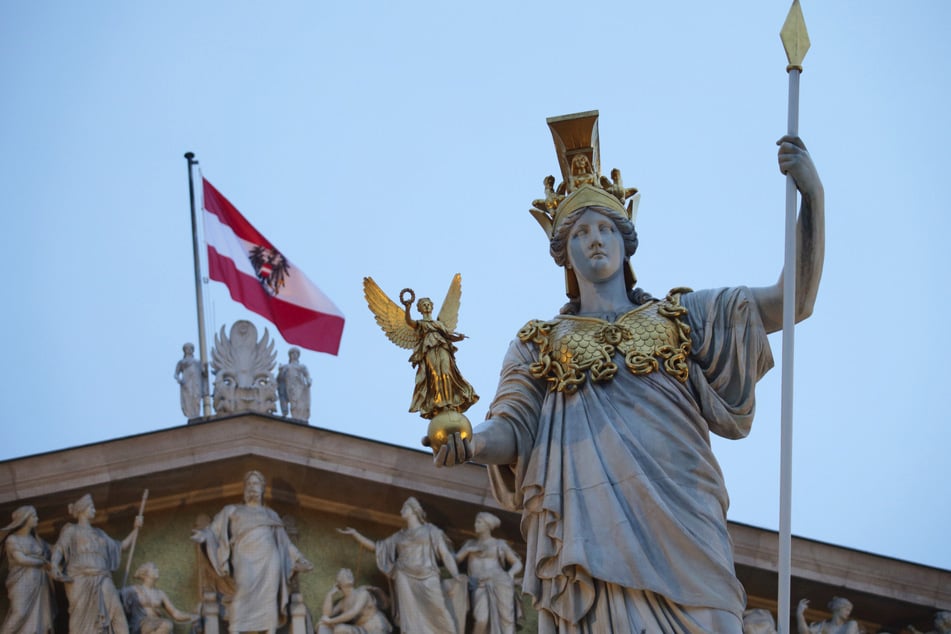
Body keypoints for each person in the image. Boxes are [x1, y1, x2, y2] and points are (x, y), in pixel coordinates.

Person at [434, 116, 824, 633]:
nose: (595, 240)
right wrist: (471, 441)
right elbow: (513, 426)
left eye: (605, 229)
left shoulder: (685, 317)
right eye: (581, 233)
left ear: (625, 242)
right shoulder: (538, 343)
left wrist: (812, 199)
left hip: (685, 515)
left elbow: (792, 302)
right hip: (593, 529)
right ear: (565, 255)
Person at [192, 470, 313, 634]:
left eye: (255, 484)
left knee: (270, 598)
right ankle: (235, 630)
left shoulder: (270, 514)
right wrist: (203, 536)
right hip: (245, 557)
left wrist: (300, 558)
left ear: (262, 489)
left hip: (270, 558)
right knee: (243, 591)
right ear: (244, 489)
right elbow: (213, 531)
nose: (252, 487)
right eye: (248, 484)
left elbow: (285, 543)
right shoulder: (232, 510)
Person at [338, 497, 467, 634]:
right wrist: (356, 535)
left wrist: (456, 575)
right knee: (410, 618)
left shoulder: (432, 531)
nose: (401, 511)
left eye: (405, 508)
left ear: (414, 510)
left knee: (439, 610)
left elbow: (445, 555)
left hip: (428, 575)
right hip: (404, 575)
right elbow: (378, 548)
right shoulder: (399, 536)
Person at [50, 493, 143, 633]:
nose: (94, 510)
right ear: (82, 509)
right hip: (79, 578)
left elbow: (122, 546)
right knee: (79, 614)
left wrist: (136, 529)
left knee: (116, 609)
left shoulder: (100, 533)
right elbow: (59, 548)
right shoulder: (71, 530)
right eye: (91, 507)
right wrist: (54, 564)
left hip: (102, 576)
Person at [404, 295, 479, 419]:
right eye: (424, 304)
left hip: (443, 347)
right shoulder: (420, 324)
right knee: (435, 374)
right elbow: (409, 322)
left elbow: (448, 336)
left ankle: (450, 402)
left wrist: (458, 338)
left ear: (432, 307)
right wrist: (407, 308)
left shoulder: (438, 323)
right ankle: (439, 403)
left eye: (428, 304)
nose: (427, 306)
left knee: (446, 372)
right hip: (429, 350)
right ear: (419, 309)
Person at [455, 512, 523, 634]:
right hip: (479, 584)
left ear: (487, 525)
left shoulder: (499, 544)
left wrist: (510, 574)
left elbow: (517, 563)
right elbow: (454, 561)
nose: (475, 524)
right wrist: (467, 550)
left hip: (500, 582)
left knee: (505, 620)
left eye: (479, 522)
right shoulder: (470, 544)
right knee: (481, 619)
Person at [1, 506, 54, 634]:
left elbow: (53, 549)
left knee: (39, 616)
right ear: (24, 519)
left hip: (39, 581)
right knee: (19, 612)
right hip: (21, 581)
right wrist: (42, 562)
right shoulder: (12, 539)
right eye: (34, 516)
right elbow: (21, 559)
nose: (37, 518)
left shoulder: (36, 540)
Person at [121, 562, 196, 634]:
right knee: (166, 625)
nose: (157, 570)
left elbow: (175, 613)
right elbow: (119, 600)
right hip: (139, 625)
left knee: (165, 626)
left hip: (155, 625)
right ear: (145, 573)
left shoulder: (160, 594)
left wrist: (191, 616)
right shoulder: (134, 590)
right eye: (154, 568)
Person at [317, 568, 392, 634]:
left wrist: (330, 621)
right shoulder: (342, 603)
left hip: (376, 627)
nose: (348, 574)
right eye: (344, 574)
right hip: (361, 630)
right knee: (339, 629)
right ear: (338, 584)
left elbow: (354, 611)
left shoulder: (362, 593)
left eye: (349, 573)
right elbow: (326, 615)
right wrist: (330, 594)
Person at [277, 347, 312, 420]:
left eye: (296, 353)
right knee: (293, 401)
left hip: (299, 386)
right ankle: (294, 416)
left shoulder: (301, 366)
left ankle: (298, 417)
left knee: (298, 401)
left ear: (298, 355)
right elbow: (280, 378)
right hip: (289, 386)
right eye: (292, 353)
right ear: (290, 355)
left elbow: (307, 375)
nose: (294, 355)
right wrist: (280, 371)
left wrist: (308, 381)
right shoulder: (286, 366)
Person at [174, 342, 203, 418]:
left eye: (190, 348)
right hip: (187, 382)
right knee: (188, 397)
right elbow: (176, 374)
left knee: (196, 396)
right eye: (187, 348)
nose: (189, 350)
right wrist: (180, 380)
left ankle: (196, 414)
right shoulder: (182, 362)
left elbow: (203, 373)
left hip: (196, 381)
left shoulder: (197, 362)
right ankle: (191, 415)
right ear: (184, 350)